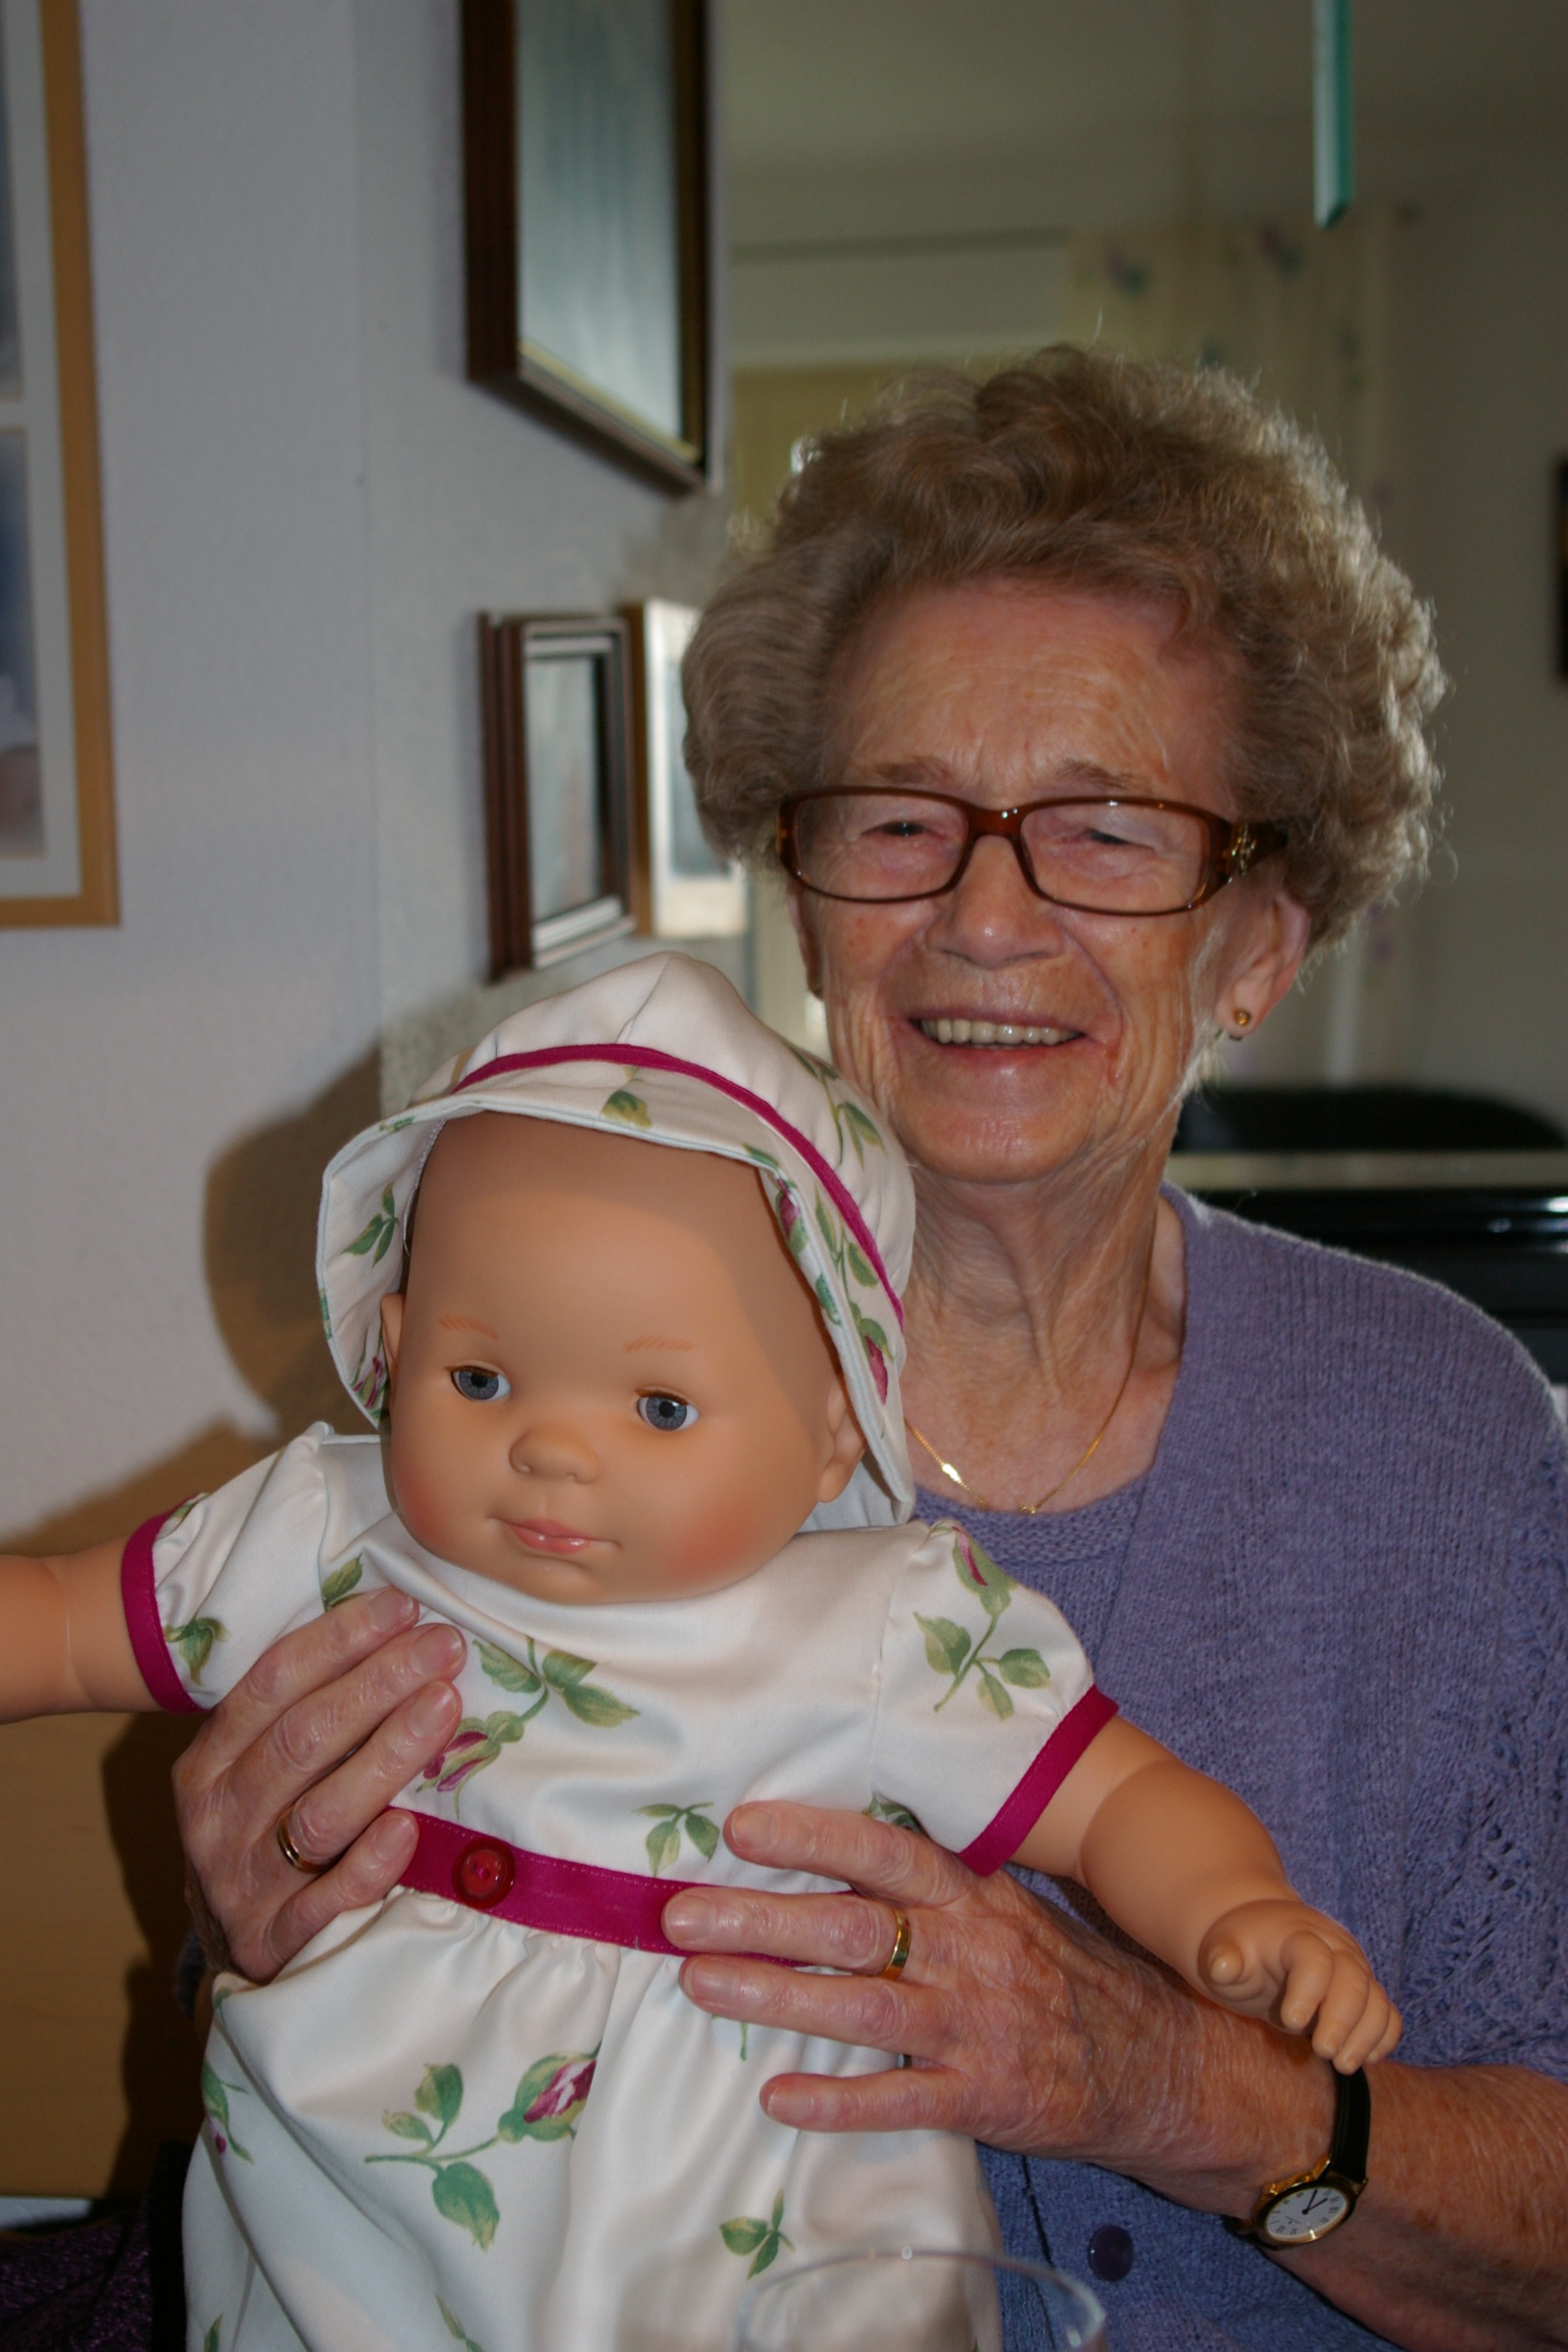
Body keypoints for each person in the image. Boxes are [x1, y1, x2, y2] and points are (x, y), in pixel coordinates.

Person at [169, 352, 1568, 2352]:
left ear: (1258, 941)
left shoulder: (1448, 1443)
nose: (984, 915)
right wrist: (252, 1924)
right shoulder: (540, 1382)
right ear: (806, 901)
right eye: (901, 822)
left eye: (1104, 831)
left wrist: (1181, 2089)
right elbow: (334, 2101)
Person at [3, 954, 1396, 2352]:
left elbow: (1115, 1800)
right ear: (397, 1343)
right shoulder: (326, 1531)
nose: (553, 1448)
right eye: (480, 1379)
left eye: (660, 1407)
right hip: (362, 2221)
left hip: (744, 2226)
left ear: (836, 1430)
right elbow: (60, 1625)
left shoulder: (881, 1629)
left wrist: (1236, 1906)